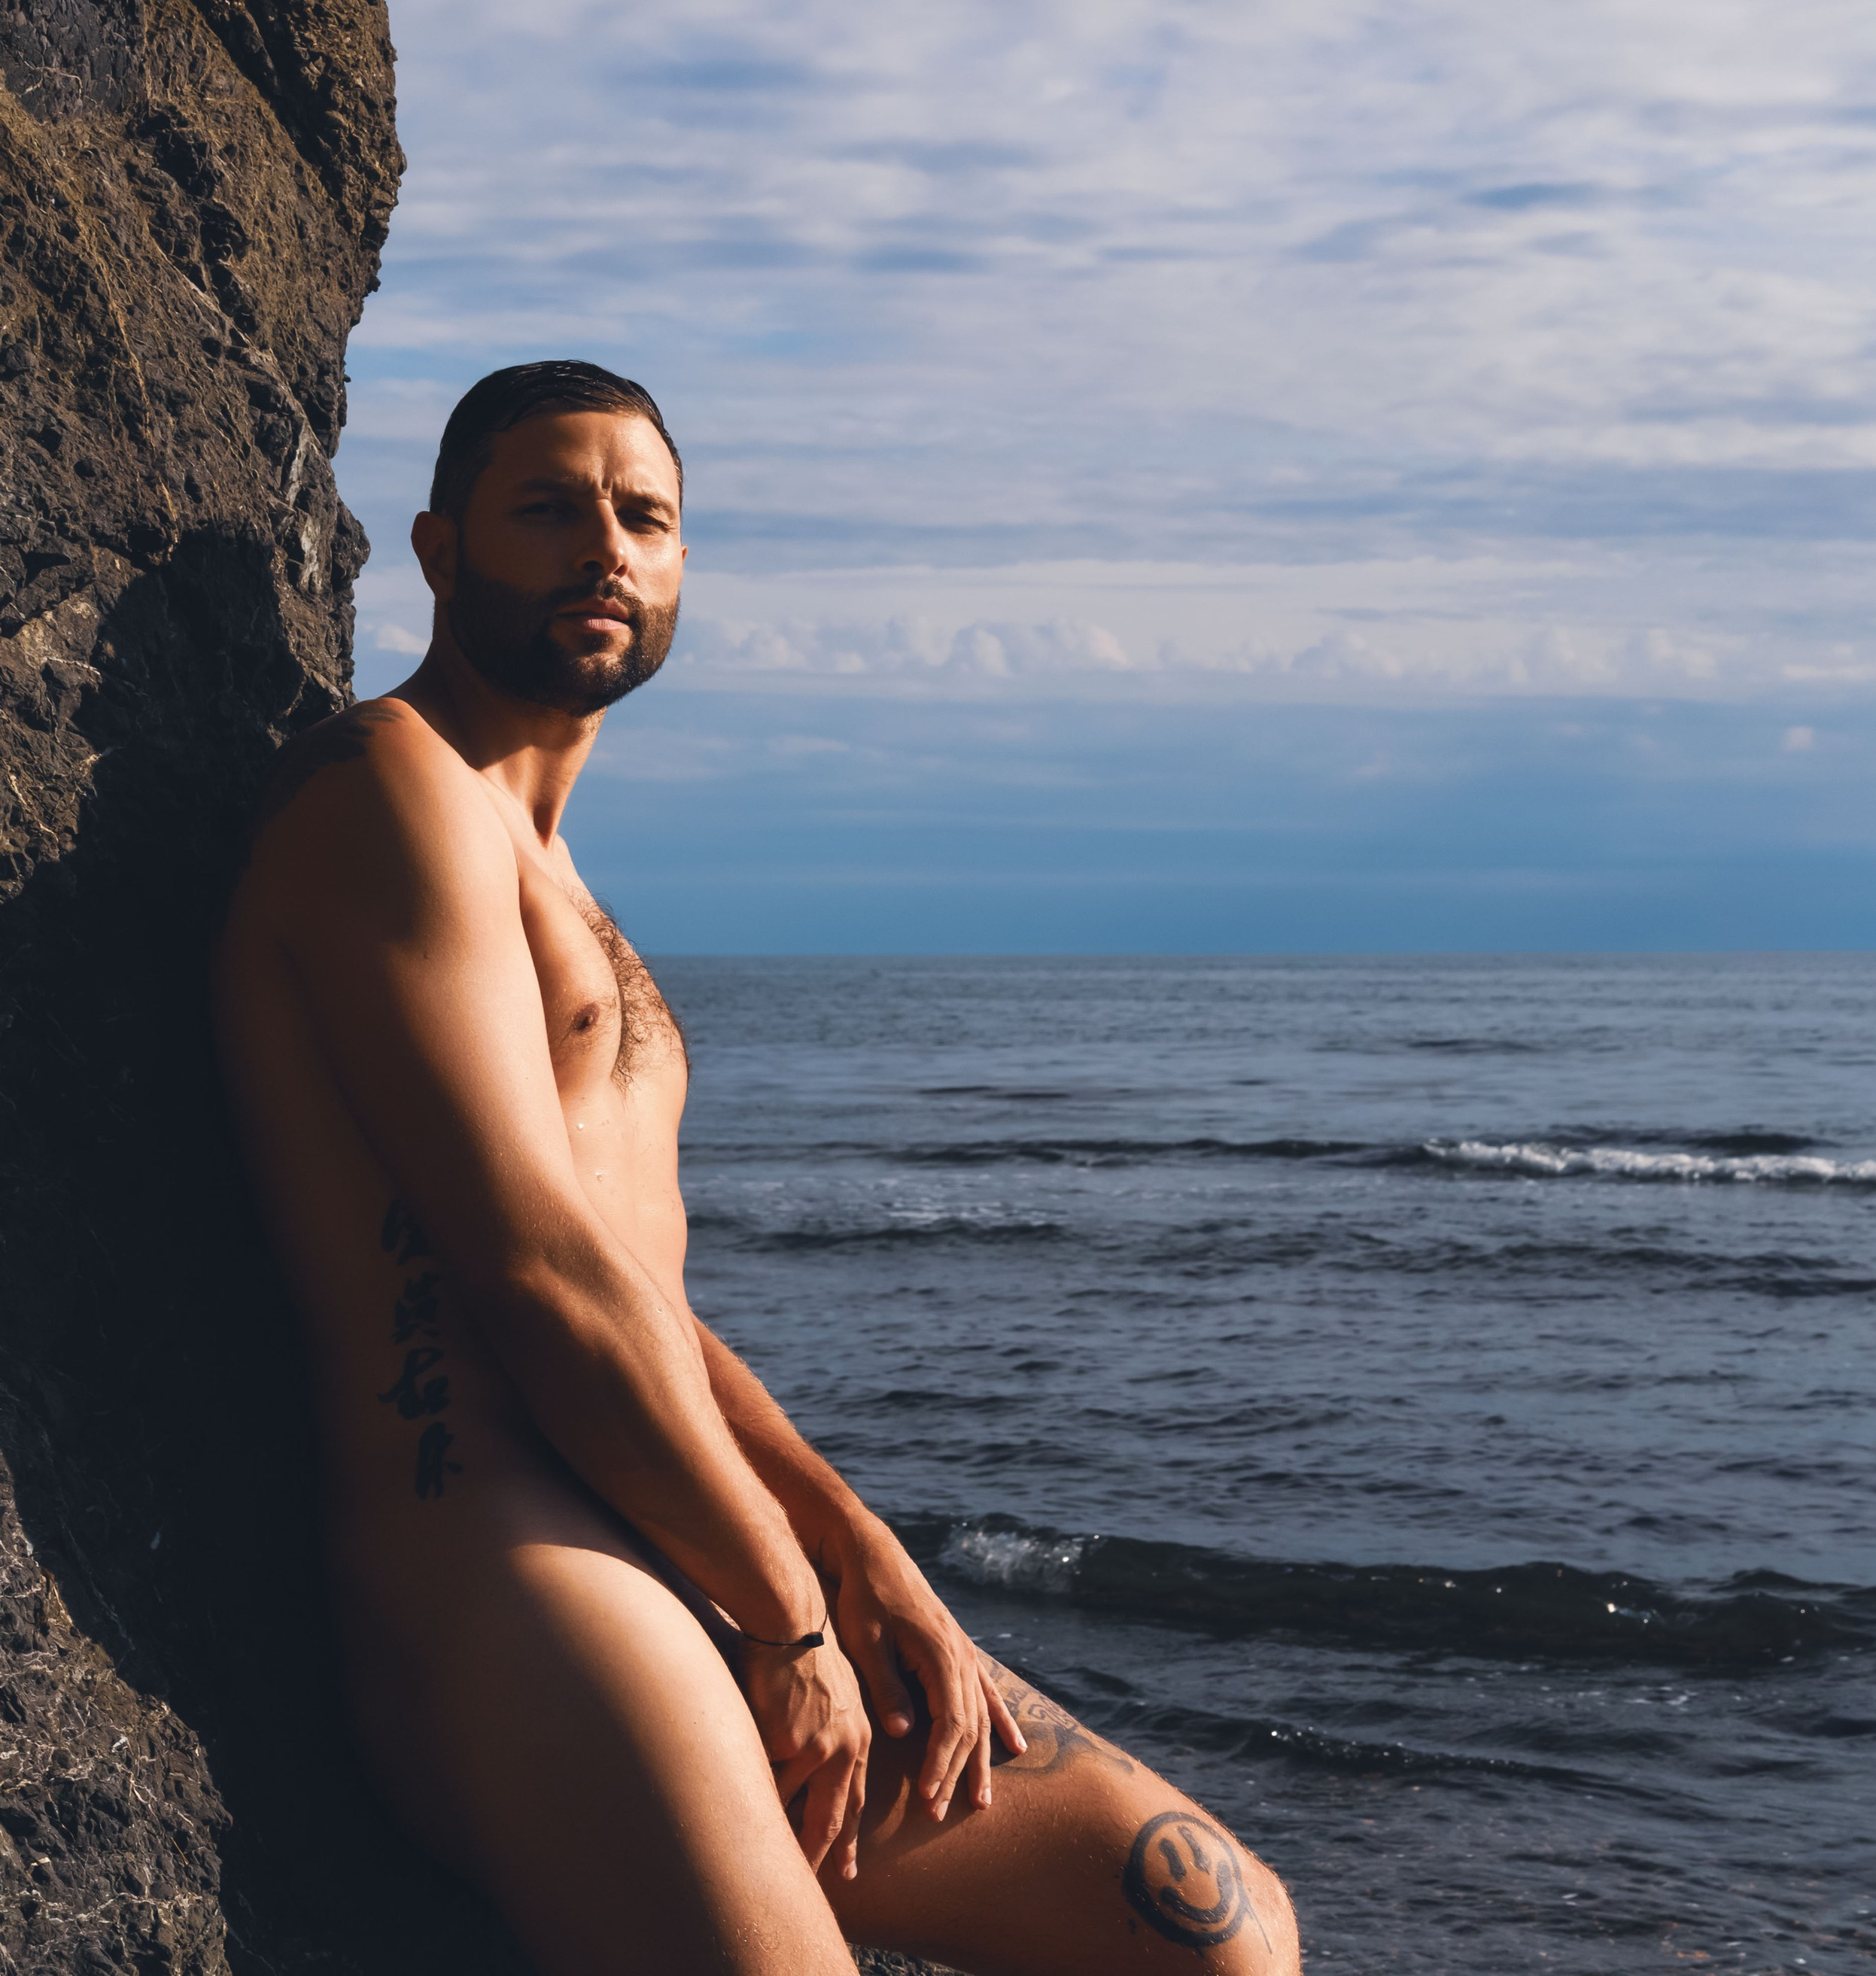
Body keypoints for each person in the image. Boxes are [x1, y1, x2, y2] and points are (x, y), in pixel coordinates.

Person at [214, 360, 1300, 1976]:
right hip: (514, 1581)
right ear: (439, 552)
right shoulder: (389, 793)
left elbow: (643, 1296)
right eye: (550, 509)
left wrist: (868, 1565)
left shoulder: (566, 882)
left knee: (1215, 1929)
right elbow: (536, 1273)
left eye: (644, 518)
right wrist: (788, 1612)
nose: (606, 550)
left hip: (694, 1552)